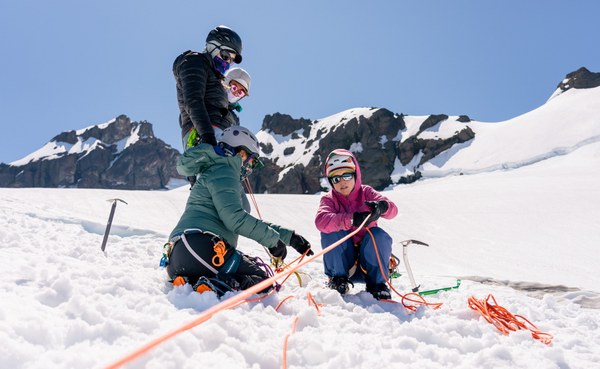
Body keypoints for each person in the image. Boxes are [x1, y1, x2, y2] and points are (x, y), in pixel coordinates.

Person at [166, 126, 314, 296]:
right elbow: (235, 219)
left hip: (177, 257)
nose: (250, 168)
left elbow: (241, 219)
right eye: (251, 161)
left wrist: (290, 238)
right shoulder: (225, 171)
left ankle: (190, 280)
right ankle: (220, 283)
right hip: (204, 250)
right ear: (241, 154)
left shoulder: (215, 169)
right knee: (263, 282)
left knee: (239, 268)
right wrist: (273, 242)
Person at [314, 149, 398, 300]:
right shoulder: (329, 200)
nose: (342, 182)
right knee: (330, 230)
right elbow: (321, 221)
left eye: (346, 175)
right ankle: (337, 281)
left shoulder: (366, 192)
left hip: (369, 264)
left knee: (379, 235)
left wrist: (382, 207)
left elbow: (393, 211)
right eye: (336, 178)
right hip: (346, 265)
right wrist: (351, 219)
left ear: (355, 174)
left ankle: (377, 285)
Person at [173, 25, 243, 152]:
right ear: (212, 47)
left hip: (217, 136)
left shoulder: (215, 77)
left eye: (231, 61)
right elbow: (193, 101)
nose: (227, 63)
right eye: (226, 56)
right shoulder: (194, 62)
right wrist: (208, 138)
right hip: (205, 136)